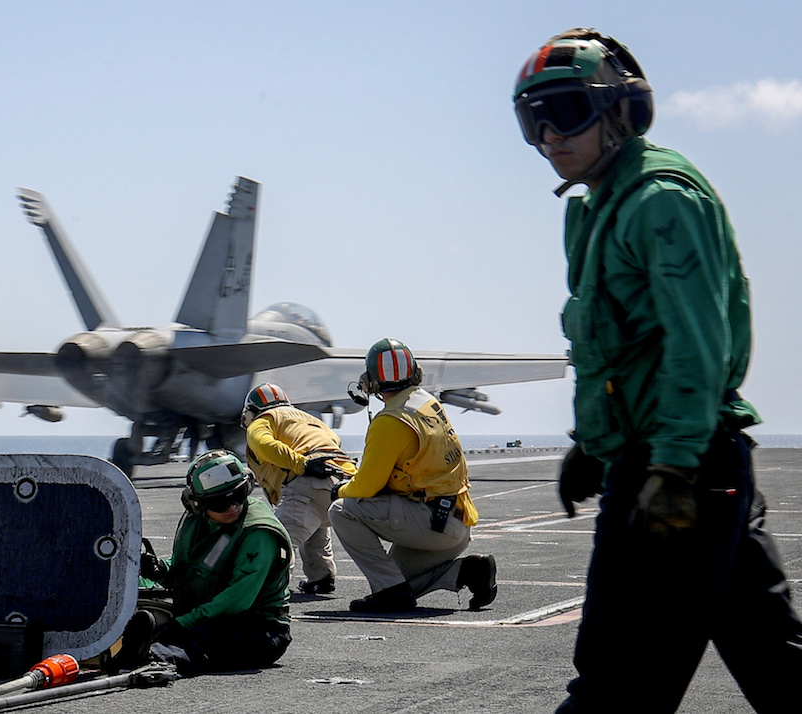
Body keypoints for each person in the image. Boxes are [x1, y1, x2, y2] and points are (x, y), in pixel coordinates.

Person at [513, 28, 802, 712]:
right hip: (684, 463)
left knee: (618, 686)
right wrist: (596, 442)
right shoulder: (606, 206)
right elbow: (629, 353)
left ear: (620, 111)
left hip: (681, 475)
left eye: (569, 109)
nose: (550, 133)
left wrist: (672, 465)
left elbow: (695, 346)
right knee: (775, 664)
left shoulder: (658, 201)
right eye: (533, 118)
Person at [327, 338, 497, 613]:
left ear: (370, 383)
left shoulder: (390, 420)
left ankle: (389, 591)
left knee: (341, 511)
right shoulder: (426, 403)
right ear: (416, 373)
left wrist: (342, 490)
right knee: (398, 580)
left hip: (429, 524)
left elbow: (367, 486)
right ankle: (468, 571)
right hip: (456, 523)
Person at [109, 449, 293, 676]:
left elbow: (236, 600)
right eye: (220, 503)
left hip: (259, 629)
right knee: (170, 625)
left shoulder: (258, 534)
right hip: (211, 618)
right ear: (198, 504)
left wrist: (181, 623)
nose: (232, 507)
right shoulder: (198, 522)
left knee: (199, 641)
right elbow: (190, 571)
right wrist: (158, 570)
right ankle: (134, 651)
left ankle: (151, 657)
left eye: (239, 495)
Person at [241, 382, 357, 595]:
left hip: (308, 482)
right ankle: (321, 575)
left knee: (277, 540)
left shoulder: (264, 420)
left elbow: (264, 444)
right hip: (343, 485)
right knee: (315, 528)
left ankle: (268, 588)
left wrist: (301, 464)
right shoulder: (310, 419)